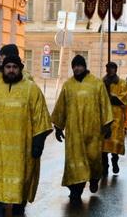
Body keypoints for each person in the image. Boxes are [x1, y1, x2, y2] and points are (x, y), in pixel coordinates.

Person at [0, 55, 52, 217]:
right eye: (8, 67)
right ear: (3, 69)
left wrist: (38, 143)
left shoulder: (31, 89)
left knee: (19, 193)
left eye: (14, 67)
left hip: (21, 152)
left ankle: (18, 211)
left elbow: (41, 118)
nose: (11, 70)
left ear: (20, 69)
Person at [51, 55, 113, 201]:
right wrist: (59, 127)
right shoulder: (68, 85)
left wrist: (107, 125)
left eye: (80, 65)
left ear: (84, 67)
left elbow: (104, 104)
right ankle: (75, 189)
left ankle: (93, 179)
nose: (77, 68)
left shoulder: (96, 84)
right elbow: (61, 107)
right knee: (74, 162)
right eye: (74, 66)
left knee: (93, 159)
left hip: (93, 131)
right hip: (74, 133)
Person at [102, 62, 127, 175]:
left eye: (112, 68)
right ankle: (104, 165)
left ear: (116, 69)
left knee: (114, 141)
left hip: (116, 116)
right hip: (104, 115)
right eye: (108, 68)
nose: (110, 70)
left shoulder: (122, 83)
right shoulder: (101, 82)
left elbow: (123, 99)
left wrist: (111, 96)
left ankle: (115, 161)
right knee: (103, 143)